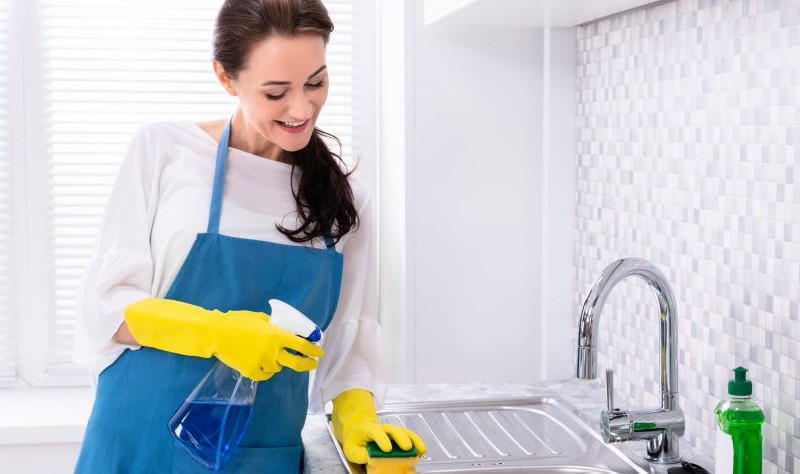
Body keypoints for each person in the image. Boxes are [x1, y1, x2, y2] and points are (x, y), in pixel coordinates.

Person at [72, 0, 426, 472]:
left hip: (257, 454)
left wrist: (358, 421)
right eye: (276, 92)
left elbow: (349, 346)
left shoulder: (344, 197)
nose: (301, 108)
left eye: (316, 82)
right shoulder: (165, 151)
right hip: (137, 444)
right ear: (226, 77)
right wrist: (217, 332)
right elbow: (106, 307)